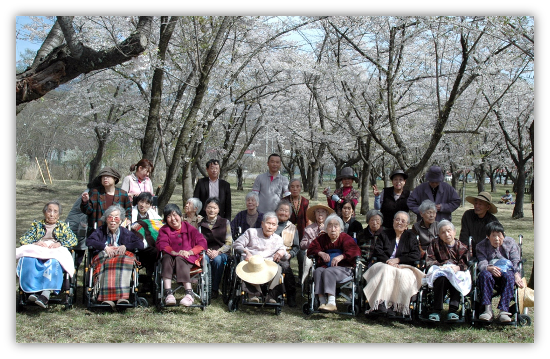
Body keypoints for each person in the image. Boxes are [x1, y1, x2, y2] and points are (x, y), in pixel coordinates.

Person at [17, 200, 77, 308]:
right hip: (38, 250)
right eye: (49, 211)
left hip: (54, 251)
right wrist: (35, 242)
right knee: (28, 260)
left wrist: (60, 243)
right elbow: (24, 239)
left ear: (59, 215)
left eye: (55, 211)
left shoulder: (62, 226)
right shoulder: (37, 225)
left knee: (53, 263)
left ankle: (45, 294)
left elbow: (73, 240)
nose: (52, 214)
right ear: (44, 212)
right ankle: (32, 292)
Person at [363, 211, 423, 317]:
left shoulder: (411, 236)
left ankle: (395, 306)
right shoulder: (385, 234)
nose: (399, 222)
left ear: (407, 225)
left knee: (404, 275)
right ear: (393, 221)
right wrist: (389, 261)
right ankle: (380, 303)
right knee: (386, 270)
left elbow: (416, 255)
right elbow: (378, 250)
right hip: (384, 263)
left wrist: (398, 260)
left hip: (403, 265)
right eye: (397, 219)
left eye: (403, 221)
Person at [85, 204, 144, 307]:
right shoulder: (100, 231)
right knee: (108, 263)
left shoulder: (126, 232)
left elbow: (140, 244)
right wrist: (104, 247)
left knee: (124, 261)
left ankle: (122, 297)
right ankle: (107, 298)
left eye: (116, 217)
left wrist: (126, 246)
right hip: (104, 257)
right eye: (110, 217)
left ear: (121, 220)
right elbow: (89, 241)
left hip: (122, 258)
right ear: (106, 219)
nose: (113, 220)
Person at [306, 213, 361, 312]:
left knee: (328, 271)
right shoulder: (323, 238)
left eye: (336, 226)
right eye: (330, 226)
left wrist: (342, 256)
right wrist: (320, 253)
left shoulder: (345, 238)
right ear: (326, 228)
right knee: (318, 271)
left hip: (344, 269)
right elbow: (311, 249)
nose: (333, 229)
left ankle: (332, 302)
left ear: (340, 228)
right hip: (326, 266)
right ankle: (322, 301)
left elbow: (355, 251)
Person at [156, 203, 207, 307]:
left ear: (180, 216)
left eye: (175, 215)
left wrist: (190, 252)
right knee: (165, 258)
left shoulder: (190, 228)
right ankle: (168, 293)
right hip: (170, 261)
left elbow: (202, 243)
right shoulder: (164, 230)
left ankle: (189, 293)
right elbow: (162, 243)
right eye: (169, 217)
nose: (173, 219)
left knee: (180, 258)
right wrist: (172, 251)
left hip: (189, 260)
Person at [233, 212, 288, 303]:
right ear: (262, 224)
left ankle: (271, 296)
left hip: (268, 264)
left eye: (273, 224)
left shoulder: (278, 239)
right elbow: (237, 244)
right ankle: (253, 294)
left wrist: (282, 251)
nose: (270, 227)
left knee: (278, 269)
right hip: (251, 261)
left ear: (276, 227)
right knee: (253, 266)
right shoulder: (251, 232)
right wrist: (246, 252)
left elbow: (285, 256)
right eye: (268, 223)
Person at [476, 221, 524, 323]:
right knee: (484, 275)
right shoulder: (481, 246)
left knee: (510, 276)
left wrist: (516, 274)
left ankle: (504, 310)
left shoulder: (510, 243)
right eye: (493, 236)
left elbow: (515, 260)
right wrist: (489, 268)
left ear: (504, 234)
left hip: (508, 271)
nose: (497, 239)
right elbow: (482, 262)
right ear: (488, 236)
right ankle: (487, 310)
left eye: (499, 235)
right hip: (490, 272)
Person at [424, 220, 471, 322]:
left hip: (456, 272)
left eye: (449, 231)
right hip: (441, 271)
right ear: (439, 235)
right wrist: (442, 266)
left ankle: (453, 310)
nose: (447, 234)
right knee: (441, 279)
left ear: (454, 232)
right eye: (443, 232)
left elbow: (466, 263)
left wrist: (458, 268)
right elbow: (429, 260)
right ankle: (436, 310)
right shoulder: (434, 244)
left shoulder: (461, 246)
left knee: (457, 279)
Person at [81, 166, 132, 237]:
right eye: (103, 176)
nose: (105, 178)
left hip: (117, 232)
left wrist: (128, 219)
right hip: (98, 231)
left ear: (115, 179)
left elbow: (128, 210)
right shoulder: (95, 192)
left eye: (108, 176)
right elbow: (87, 211)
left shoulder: (122, 194)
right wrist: (85, 202)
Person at [198, 197, 233, 300]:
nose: (212, 210)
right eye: (209, 207)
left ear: (218, 210)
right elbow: (198, 241)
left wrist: (218, 252)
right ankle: (204, 286)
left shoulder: (225, 222)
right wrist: (205, 250)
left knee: (217, 260)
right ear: (205, 209)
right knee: (205, 260)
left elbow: (229, 242)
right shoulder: (200, 223)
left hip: (222, 251)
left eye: (214, 208)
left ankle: (214, 288)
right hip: (206, 251)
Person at [282, 178, 311, 283]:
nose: (295, 188)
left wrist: (308, 235)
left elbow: (308, 221)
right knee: (286, 257)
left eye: (297, 186)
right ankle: (286, 279)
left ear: (301, 188)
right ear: (289, 188)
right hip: (287, 234)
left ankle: (301, 279)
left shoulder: (305, 202)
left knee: (302, 257)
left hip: (301, 233)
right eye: (292, 186)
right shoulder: (284, 201)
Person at [273, 200, 300, 307]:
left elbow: (296, 247)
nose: (283, 213)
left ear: (289, 215)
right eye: (281, 210)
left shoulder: (292, 228)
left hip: (284, 256)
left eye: (286, 211)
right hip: (268, 254)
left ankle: (291, 296)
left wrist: (290, 255)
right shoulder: (270, 223)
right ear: (276, 211)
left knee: (287, 271)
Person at [300, 204, 334, 286]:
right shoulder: (309, 228)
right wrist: (313, 241)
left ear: (327, 214)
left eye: (323, 212)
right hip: (313, 254)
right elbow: (302, 244)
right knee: (307, 259)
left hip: (328, 254)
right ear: (314, 214)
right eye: (318, 212)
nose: (320, 214)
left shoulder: (331, 227)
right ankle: (304, 282)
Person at [459, 191, 500, 257]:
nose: (477, 206)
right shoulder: (468, 215)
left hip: (486, 253)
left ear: (488, 207)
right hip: (469, 250)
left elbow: (494, 241)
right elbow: (464, 236)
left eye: (480, 204)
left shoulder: (492, 221)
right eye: (476, 203)